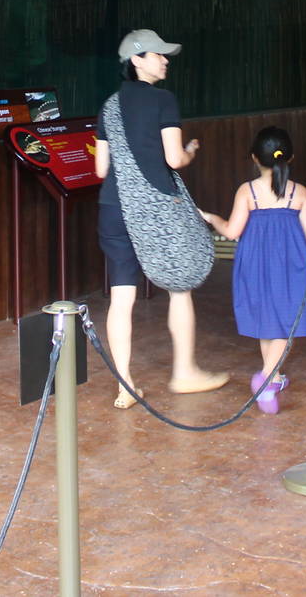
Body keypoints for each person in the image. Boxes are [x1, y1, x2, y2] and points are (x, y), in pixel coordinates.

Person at [93, 29, 229, 409]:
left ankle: (125, 386)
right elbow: (173, 160)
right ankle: (184, 372)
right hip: (156, 209)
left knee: (121, 296)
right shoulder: (163, 100)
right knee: (179, 285)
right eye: (157, 55)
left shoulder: (108, 107)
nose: (165, 60)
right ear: (136, 60)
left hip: (114, 208)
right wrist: (189, 150)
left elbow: (101, 167)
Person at [200, 126, 306, 415]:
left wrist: (212, 217)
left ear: (254, 158)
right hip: (292, 263)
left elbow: (231, 231)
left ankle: (272, 376)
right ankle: (267, 379)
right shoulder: (299, 192)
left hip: (255, 263)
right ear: (290, 158)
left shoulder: (248, 191)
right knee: (285, 321)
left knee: (268, 320)